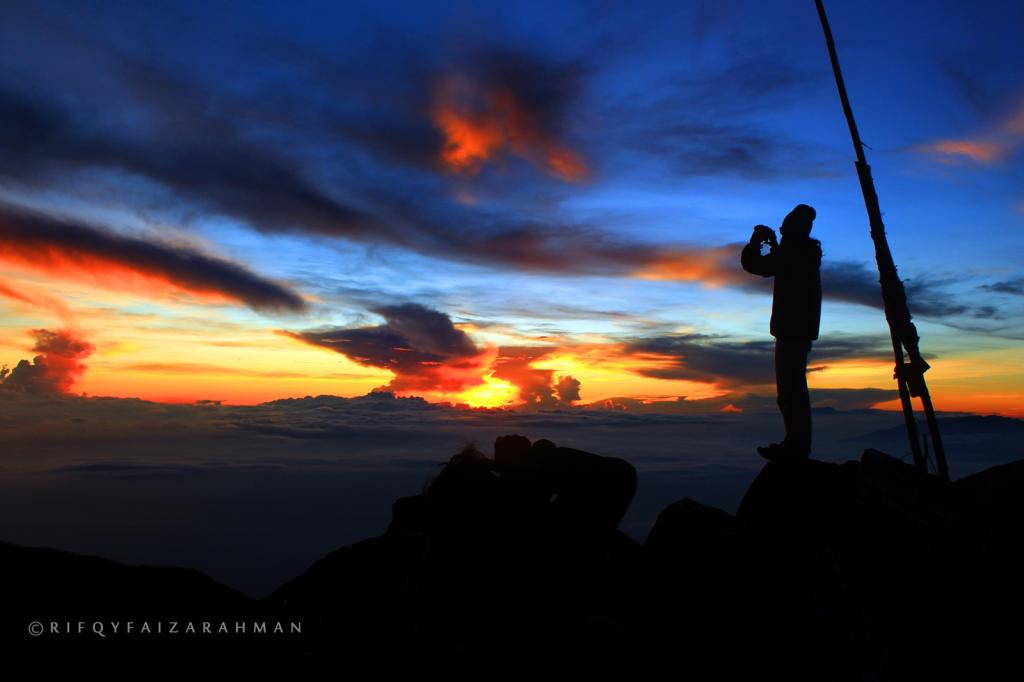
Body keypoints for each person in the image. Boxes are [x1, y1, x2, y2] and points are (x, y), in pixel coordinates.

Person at [740, 204, 822, 460]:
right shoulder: (803, 253)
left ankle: (796, 446)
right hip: (798, 329)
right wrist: (775, 246)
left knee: (790, 392)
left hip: (792, 330)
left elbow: (755, 265)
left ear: (793, 230)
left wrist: (756, 241)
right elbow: (778, 264)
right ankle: (795, 443)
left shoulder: (794, 253)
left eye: (785, 229)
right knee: (792, 390)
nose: (782, 232)